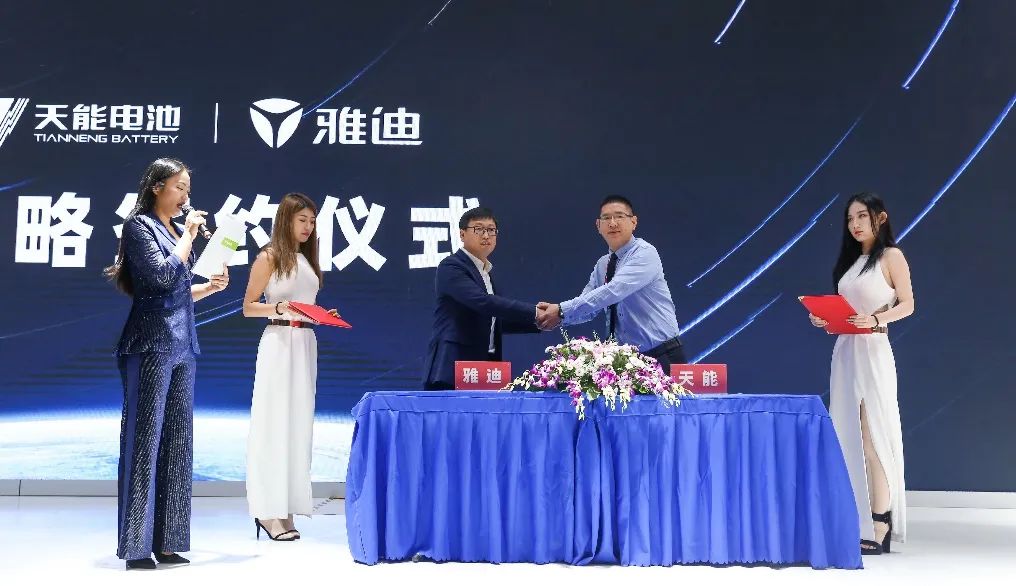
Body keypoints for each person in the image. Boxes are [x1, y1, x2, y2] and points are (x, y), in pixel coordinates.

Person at [105, 158, 229, 570]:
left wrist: (208, 288)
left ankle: (169, 541)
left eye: (188, 188)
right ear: (157, 187)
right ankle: (137, 546)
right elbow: (158, 279)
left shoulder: (176, 232)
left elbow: (177, 291)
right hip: (150, 343)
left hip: (183, 345)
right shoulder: (139, 226)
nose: (185, 196)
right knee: (144, 442)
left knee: (178, 443)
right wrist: (190, 235)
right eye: (179, 187)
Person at [808, 192, 913, 555]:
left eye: (862, 216)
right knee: (847, 434)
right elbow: (847, 313)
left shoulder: (891, 256)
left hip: (873, 350)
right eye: (850, 218)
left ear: (880, 218)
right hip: (846, 352)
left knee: (873, 437)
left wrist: (876, 319)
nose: (855, 224)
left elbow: (908, 304)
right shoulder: (852, 263)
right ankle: (857, 518)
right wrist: (825, 319)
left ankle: (881, 520)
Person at [242, 193, 339, 541]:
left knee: (298, 426)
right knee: (274, 424)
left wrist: (321, 315)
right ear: (286, 220)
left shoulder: (307, 259)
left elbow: (305, 303)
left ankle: (287, 508)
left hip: (305, 342)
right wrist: (280, 308)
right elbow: (248, 307)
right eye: (302, 220)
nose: (308, 227)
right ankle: (267, 510)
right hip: (278, 342)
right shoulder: (269, 257)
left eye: (312, 221)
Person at [537, 195, 685, 370]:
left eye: (619, 216)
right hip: (626, 361)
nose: (613, 223)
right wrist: (554, 318)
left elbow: (613, 291)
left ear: (634, 222)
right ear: (598, 226)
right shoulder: (602, 265)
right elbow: (590, 308)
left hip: (662, 354)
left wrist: (561, 310)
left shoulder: (645, 253)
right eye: (606, 218)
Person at [422, 207, 541, 390]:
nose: (486, 235)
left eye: (491, 230)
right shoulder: (451, 266)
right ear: (462, 234)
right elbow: (483, 303)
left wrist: (540, 322)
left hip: (485, 367)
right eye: (478, 229)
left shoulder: (486, 272)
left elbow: (494, 320)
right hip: (453, 366)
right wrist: (535, 312)